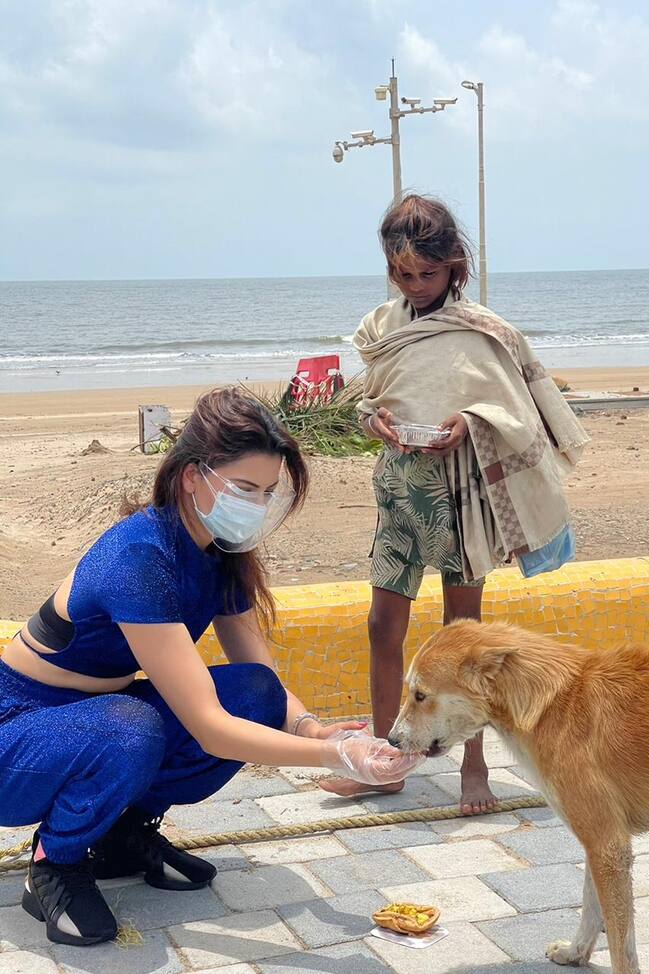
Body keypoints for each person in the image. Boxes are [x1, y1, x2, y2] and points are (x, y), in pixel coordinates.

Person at [0, 388, 418, 947]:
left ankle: (121, 832)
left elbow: (258, 675)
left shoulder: (219, 553)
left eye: (267, 492)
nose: (257, 504)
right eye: (244, 488)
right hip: (18, 734)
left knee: (256, 694)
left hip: (94, 720)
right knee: (131, 726)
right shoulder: (139, 556)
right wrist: (334, 756)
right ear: (193, 476)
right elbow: (205, 725)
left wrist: (313, 727)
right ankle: (56, 860)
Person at [321, 194, 588, 815]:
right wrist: (377, 422)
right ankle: (382, 764)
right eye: (404, 274)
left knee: (460, 643)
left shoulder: (481, 331)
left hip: (461, 501)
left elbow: (513, 409)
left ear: (455, 267)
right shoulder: (382, 327)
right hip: (397, 497)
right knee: (381, 626)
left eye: (429, 274)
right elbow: (371, 401)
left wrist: (468, 423)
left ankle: (475, 766)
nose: (416, 286)